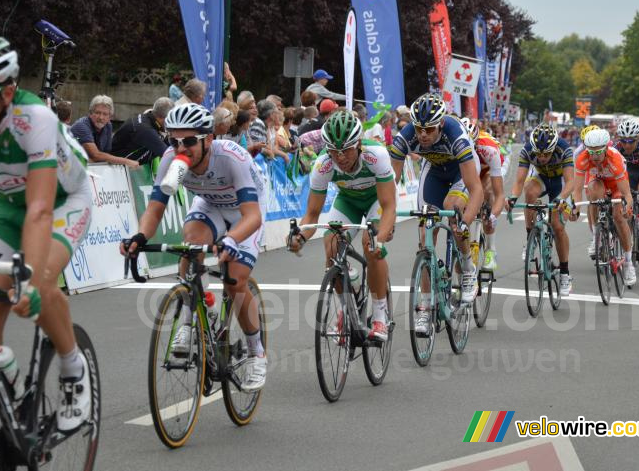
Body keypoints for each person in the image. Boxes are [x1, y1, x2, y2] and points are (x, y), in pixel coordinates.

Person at [120, 103, 267, 390]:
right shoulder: (172, 160)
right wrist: (139, 237)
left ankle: (256, 352)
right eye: (173, 140)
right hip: (210, 204)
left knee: (235, 281)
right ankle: (187, 321)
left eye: (188, 141)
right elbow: (155, 208)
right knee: (191, 245)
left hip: (245, 211)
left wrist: (231, 239)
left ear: (208, 139)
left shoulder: (231, 158)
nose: (180, 148)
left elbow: (253, 216)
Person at [0, 37, 92, 431]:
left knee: (39, 283)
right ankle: (9, 378)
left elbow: (39, 209)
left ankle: (73, 366)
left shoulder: (34, 119)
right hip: (7, 205)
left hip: (63, 201)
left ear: (7, 94)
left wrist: (30, 281)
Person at [287, 111, 396, 340]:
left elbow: (388, 206)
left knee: (371, 245)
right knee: (331, 246)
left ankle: (380, 315)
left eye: (346, 149)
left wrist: (380, 239)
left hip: (377, 201)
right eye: (333, 151)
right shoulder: (323, 164)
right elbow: (312, 213)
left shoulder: (376, 155)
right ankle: (347, 309)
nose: (340, 157)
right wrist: (300, 237)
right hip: (349, 201)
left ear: (358, 144)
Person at [389, 93, 483, 311]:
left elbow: (476, 189)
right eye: (418, 128)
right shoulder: (405, 137)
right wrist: (386, 216)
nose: (423, 135)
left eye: (429, 129)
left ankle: (468, 268)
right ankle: (425, 306)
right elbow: (390, 184)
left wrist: (465, 222)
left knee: (452, 207)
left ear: (440, 124)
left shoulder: (456, 136)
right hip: (433, 171)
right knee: (425, 237)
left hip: (460, 171)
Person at [508, 123, 575, 294]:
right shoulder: (527, 150)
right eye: (539, 154)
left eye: (546, 154)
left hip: (561, 183)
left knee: (557, 227)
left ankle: (565, 273)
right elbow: (519, 181)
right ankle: (530, 237)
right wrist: (513, 198)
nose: (542, 157)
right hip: (541, 178)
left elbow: (570, 182)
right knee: (529, 191)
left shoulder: (564, 149)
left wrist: (561, 198)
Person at [572, 128, 637, 286]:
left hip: (617, 186)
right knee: (593, 193)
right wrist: (575, 209)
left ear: (606, 148)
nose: (594, 157)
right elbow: (577, 190)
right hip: (599, 182)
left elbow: (627, 194)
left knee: (618, 216)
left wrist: (627, 207)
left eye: (598, 152)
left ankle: (628, 263)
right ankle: (597, 235)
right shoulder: (582, 158)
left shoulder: (615, 159)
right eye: (591, 152)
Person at [462, 118, 505, 272]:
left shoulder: (488, 148)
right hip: (467, 168)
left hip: (488, 168)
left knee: (487, 191)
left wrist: (493, 215)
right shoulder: (455, 145)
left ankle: (490, 250)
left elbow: (500, 195)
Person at [71, 95, 139, 168]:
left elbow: (105, 154)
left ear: (110, 117)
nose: (101, 117)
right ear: (90, 113)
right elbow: (96, 155)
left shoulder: (108, 126)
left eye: (105, 114)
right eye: (97, 113)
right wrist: (126, 162)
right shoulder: (81, 126)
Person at [111, 96, 173, 165]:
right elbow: (168, 154)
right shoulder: (145, 130)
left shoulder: (147, 119)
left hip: (126, 165)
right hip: (114, 166)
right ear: (165, 118)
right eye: (172, 119)